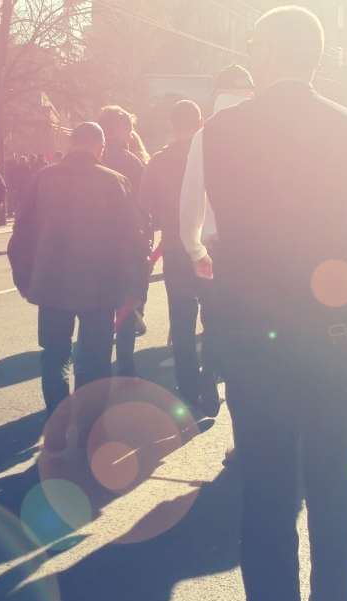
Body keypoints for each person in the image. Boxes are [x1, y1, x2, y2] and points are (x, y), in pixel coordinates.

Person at [199, 7, 347, 601]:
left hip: (255, 336)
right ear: (317, 56)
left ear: (267, 56)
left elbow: (227, 233)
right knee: (334, 477)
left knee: (267, 492)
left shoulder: (222, 132)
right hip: (330, 334)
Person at [9, 122, 145, 416]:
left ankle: (57, 419)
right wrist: (136, 288)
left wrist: (24, 278)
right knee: (94, 359)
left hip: (51, 282)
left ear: (72, 145)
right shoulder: (115, 181)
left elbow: (22, 233)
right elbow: (132, 240)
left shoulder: (43, 178)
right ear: (100, 147)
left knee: (55, 355)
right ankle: (87, 425)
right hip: (101, 285)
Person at [140, 100, 221, 417]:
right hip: (208, 247)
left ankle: (188, 387)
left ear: (172, 124)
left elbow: (145, 202)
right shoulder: (211, 157)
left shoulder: (159, 161)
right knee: (213, 317)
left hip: (175, 248)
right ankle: (210, 382)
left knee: (182, 319)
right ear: (200, 122)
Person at [179, 64, 256, 266]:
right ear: (251, 93)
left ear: (217, 95)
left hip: (219, 247)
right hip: (263, 246)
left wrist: (195, 250)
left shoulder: (206, 135)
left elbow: (192, 197)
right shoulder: (267, 130)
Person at [97, 105, 150, 378]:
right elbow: (145, 204)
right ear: (119, 129)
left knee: (97, 312)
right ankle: (126, 368)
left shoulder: (91, 160)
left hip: (93, 245)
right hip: (128, 246)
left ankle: (98, 371)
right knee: (127, 307)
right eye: (127, 126)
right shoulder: (131, 162)